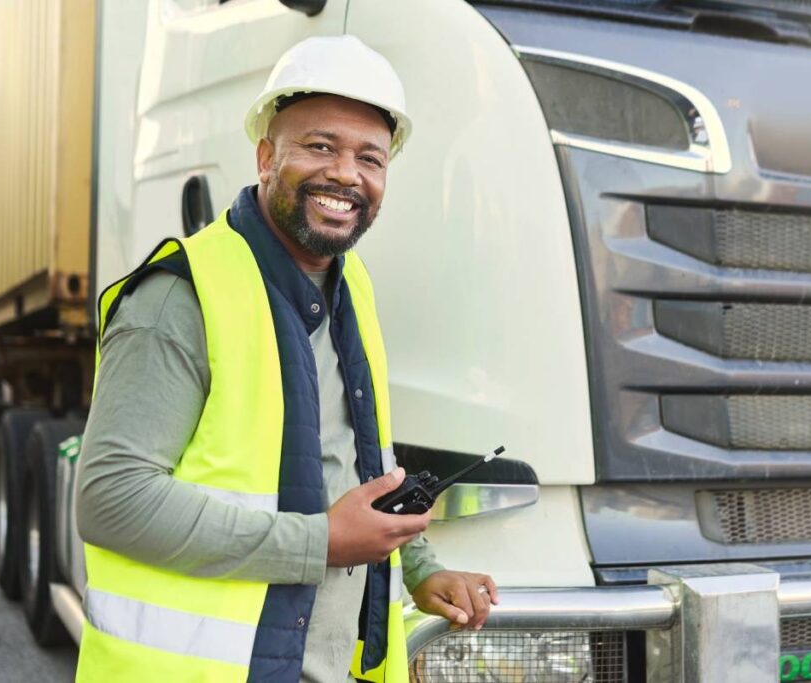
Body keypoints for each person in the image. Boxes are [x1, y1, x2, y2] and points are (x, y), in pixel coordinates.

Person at [74, 35, 497, 683]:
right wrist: (320, 543)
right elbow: (111, 498)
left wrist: (420, 568)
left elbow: (354, 464)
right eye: (320, 146)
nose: (346, 175)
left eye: (370, 158)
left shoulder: (352, 287)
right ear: (267, 155)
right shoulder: (180, 297)